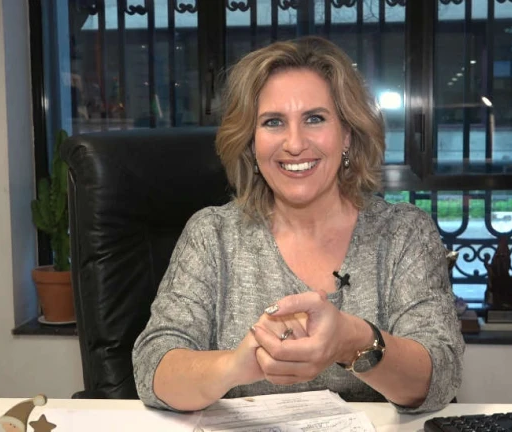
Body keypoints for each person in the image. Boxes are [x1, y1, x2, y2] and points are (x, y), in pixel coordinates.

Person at [132, 36, 464, 414]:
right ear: (251, 143)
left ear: (347, 135)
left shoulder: (404, 233)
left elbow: (441, 377)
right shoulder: (212, 236)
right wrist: (236, 365)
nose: (294, 143)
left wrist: (353, 341)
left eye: (314, 119)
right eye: (273, 122)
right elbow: (152, 368)